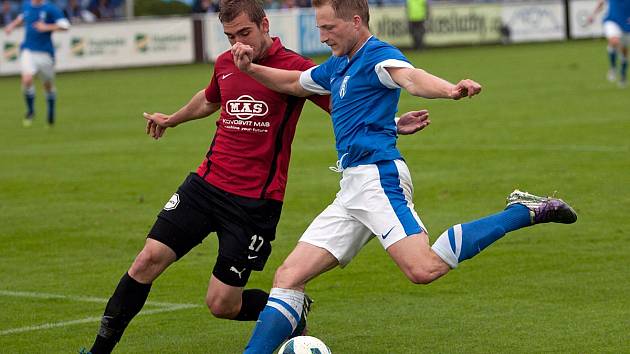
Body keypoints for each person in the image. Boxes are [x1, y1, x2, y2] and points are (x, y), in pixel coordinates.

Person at [230, 0, 578, 352]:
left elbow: (410, 77)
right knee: (289, 278)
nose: (321, 37)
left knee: (424, 269)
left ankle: (522, 212)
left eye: (328, 28)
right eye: (319, 28)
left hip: (378, 179)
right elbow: (293, 83)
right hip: (351, 187)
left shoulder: (377, 55)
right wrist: (251, 69)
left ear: (354, 22)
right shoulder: (337, 66)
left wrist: (449, 90)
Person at [82, 1, 429, 353]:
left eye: (245, 33)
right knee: (146, 261)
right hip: (205, 185)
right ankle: (97, 351)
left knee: (222, 304)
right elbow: (208, 99)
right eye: (230, 36)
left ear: (265, 25)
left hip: (253, 204)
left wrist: (393, 124)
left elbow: (346, 105)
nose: (238, 44)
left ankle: (291, 310)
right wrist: (171, 119)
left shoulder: (295, 69)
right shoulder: (227, 62)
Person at [2, 0, 69, 127]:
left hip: (45, 53)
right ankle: (31, 111)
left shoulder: (50, 9)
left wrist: (47, 27)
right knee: (27, 79)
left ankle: (50, 111)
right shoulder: (27, 5)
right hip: (28, 50)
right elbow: (23, 16)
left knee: (48, 85)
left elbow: (65, 25)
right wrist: (12, 25)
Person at [588, 0, 630, 88]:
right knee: (614, 41)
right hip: (612, 20)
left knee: (624, 51)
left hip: (626, 23)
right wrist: (593, 15)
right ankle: (613, 67)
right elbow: (601, 2)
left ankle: (623, 75)